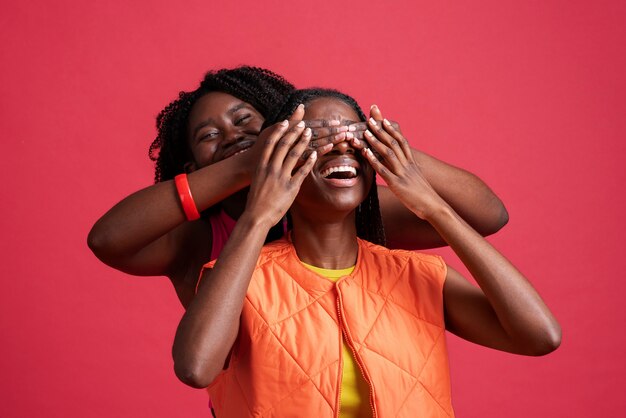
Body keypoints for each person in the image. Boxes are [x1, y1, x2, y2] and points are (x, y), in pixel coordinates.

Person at [172, 89, 561, 417]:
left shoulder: (418, 274)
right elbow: (196, 367)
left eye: (355, 140)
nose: (341, 147)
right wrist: (258, 216)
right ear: (282, 165)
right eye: (318, 141)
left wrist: (434, 207)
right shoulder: (238, 279)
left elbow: (541, 336)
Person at [87, 66, 509, 309]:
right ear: (191, 166)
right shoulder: (197, 240)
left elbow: (487, 215)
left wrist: (377, 141)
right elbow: (108, 239)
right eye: (208, 136)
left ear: (286, 123)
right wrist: (248, 164)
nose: (231, 135)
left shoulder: (338, 208)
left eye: (243, 120)